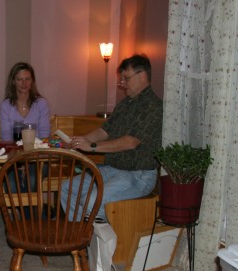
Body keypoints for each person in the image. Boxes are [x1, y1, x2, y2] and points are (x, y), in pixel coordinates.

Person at [61, 54, 162, 221]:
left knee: (93, 201)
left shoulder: (154, 107)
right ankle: (80, 237)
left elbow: (131, 142)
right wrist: (78, 141)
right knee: (67, 189)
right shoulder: (125, 104)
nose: (122, 84)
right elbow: (104, 131)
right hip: (113, 169)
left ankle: (93, 235)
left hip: (138, 175)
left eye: (126, 79)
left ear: (142, 76)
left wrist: (92, 146)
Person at [0, 62, 51, 142]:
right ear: (13, 81)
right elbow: (6, 135)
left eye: (27, 79)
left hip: (37, 150)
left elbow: (44, 133)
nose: (24, 83)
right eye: (20, 79)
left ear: (32, 81)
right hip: (15, 152)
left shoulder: (41, 103)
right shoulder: (5, 106)